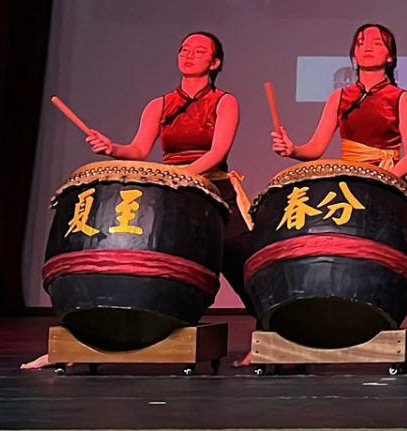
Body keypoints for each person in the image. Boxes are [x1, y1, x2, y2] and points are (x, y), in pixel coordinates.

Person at [23, 32, 252, 369]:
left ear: (215, 63)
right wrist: (113, 148)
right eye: (184, 49)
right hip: (172, 193)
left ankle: (270, 341)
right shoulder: (159, 104)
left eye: (199, 51)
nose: (189, 55)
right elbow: (140, 150)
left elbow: (218, 152)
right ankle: (75, 344)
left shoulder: (224, 101)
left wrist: (186, 177)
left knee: (242, 262)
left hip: (212, 187)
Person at [272, 23, 407, 346]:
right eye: (361, 42)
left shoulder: (399, 97)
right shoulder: (340, 97)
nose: (367, 47)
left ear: (390, 56)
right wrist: (293, 149)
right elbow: (317, 147)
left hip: (388, 183)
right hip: (350, 188)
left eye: (377, 43)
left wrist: (386, 181)